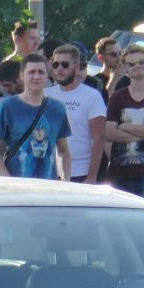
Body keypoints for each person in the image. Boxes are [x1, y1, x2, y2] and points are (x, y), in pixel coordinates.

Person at [99, 47, 144, 202]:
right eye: (131, 64)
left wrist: (126, 127)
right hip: (119, 175)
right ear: (125, 69)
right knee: (119, 224)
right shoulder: (117, 97)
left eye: (141, 62)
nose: (137, 66)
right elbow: (110, 133)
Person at [0, 56, 70, 179]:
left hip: (48, 186)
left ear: (47, 77)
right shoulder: (7, 106)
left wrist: (66, 179)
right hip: (16, 185)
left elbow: (63, 150)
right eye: (31, 72)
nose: (36, 76)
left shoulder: (58, 109)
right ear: (21, 76)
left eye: (41, 72)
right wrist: (6, 179)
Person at [43, 44, 108, 184]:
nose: (59, 69)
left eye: (65, 64)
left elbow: (99, 138)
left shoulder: (92, 96)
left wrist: (92, 176)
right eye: (55, 64)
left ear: (77, 67)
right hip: (50, 171)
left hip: (80, 171)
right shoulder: (46, 94)